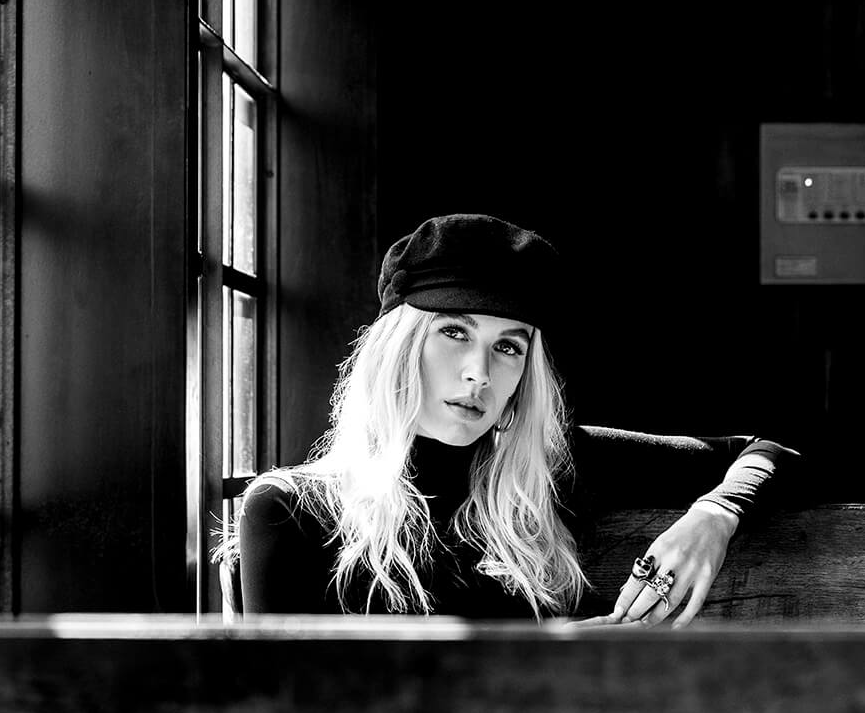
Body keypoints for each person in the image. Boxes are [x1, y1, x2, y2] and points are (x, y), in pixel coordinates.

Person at [219, 213, 798, 626]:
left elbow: (771, 450)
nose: (479, 373)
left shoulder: (551, 469)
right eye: (454, 332)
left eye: (508, 347)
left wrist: (714, 518)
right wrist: (548, 663)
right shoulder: (290, 509)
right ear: (399, 347)